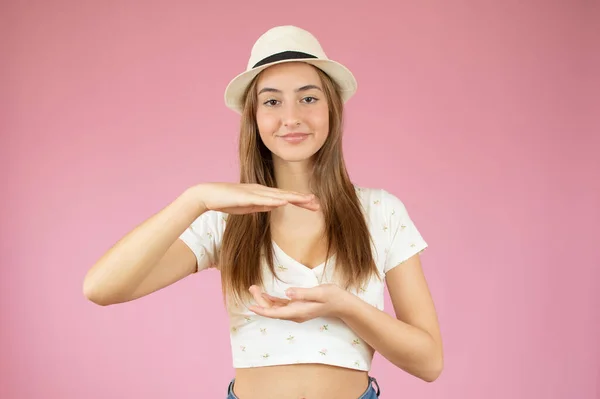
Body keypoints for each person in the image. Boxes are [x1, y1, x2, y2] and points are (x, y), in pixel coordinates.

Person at [83, 25, 443, 399]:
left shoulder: (380, 211)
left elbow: (429, 362)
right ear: (254, 117)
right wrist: (194, 200)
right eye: (272, 102)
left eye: (308, 99)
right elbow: (101, 288)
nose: (291, 117)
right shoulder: (225, 216)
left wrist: (345, 306)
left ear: (332, 108)